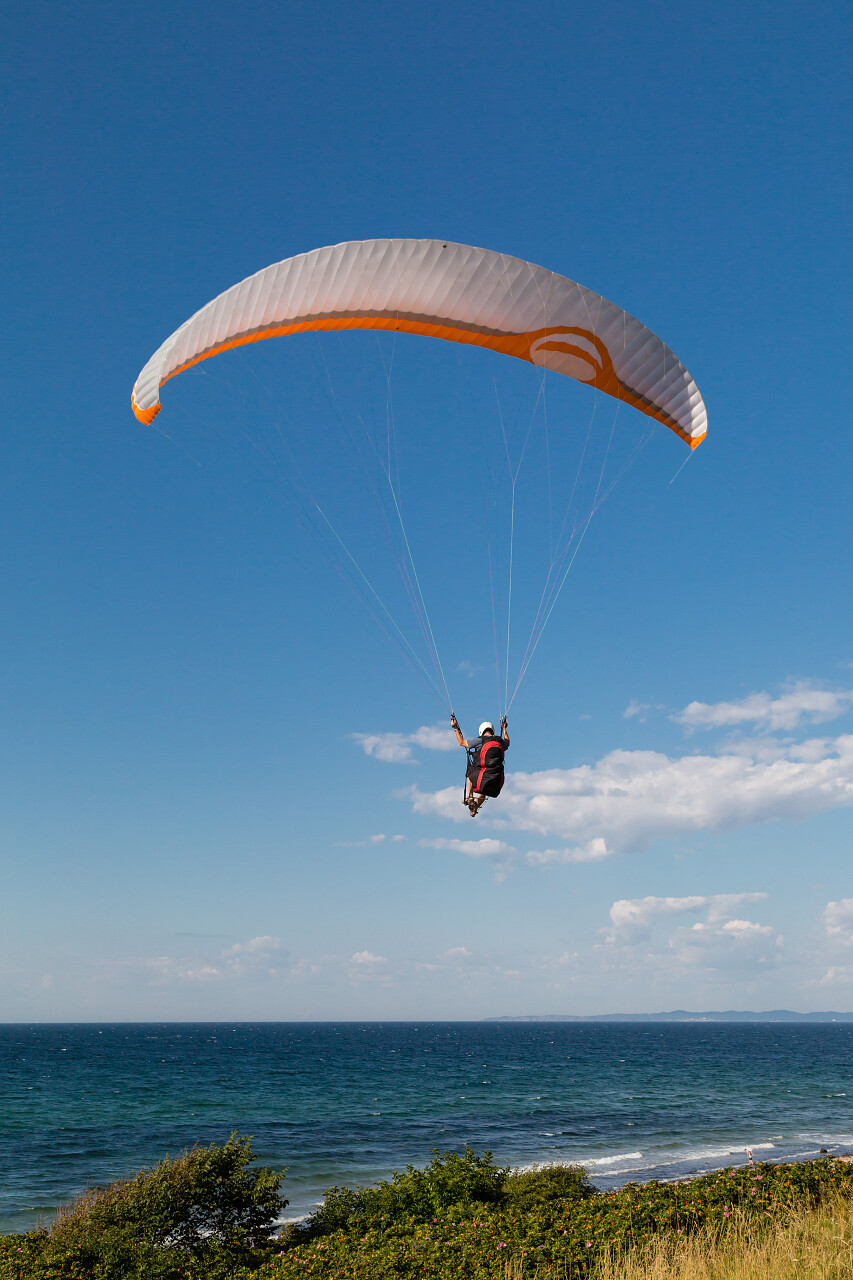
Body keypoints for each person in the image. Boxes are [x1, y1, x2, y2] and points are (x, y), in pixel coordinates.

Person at [450, 714, 509, 816]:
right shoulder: (500, 741)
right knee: (484, 790)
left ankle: (470, 797)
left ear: (481, 731)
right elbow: (507, 742)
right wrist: (504, 729)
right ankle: (474, 808)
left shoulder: (480, 740)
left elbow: (462, 742)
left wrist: (455, 728)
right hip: (497, 778)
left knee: (470, 773)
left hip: (481, 776)